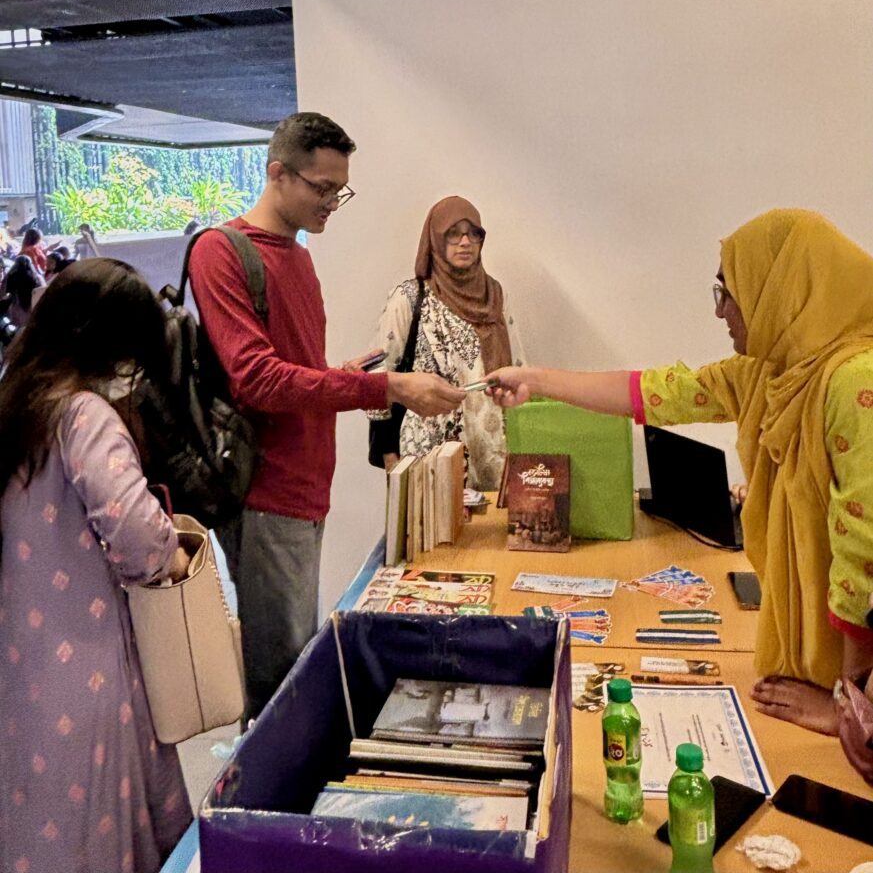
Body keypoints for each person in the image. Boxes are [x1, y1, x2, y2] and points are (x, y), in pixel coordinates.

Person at [488, 209, 873, 741]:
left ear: (780, 288)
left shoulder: (855, 380)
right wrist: (536, 381)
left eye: (728, 290)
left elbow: (865, 556)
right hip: (817, 669)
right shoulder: (769, 370)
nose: (721, 312)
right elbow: (653, 393)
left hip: (857, 691)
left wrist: (849, 706)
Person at [187, 111, 464, 721]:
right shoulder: (221, 252)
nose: (333, 202)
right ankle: (265, 810)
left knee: (293, 661)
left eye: (341, 190)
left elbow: (293, 371)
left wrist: (346, 373)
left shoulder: (298, 258)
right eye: (321, 187)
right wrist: (383, 387)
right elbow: (257, 379)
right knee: (280, 681)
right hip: (266, 489)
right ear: (277, 173)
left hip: (308, 485)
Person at [0, 258, 192, 873]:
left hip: (21, 665)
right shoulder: (83, 414)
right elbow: (138, 538)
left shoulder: (18, 402)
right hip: (89, 666)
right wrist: (176, 549)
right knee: (99, 821)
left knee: (35, 816)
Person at [368, 195, 524, 489]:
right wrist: (389, 452)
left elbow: (518, 368)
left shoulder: (496, 296)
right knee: (431, 531)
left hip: (494, 449)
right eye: (453, 233)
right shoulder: (410, 297)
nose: (465, 242)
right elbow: (380, 377)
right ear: (435, 239)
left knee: (490, 533)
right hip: (428, 454)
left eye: (473, 233)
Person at [4, 251, 44, 326]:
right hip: (30, 307)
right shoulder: (37, 278)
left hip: (16, 306)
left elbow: (5, 291)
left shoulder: (11, 276)